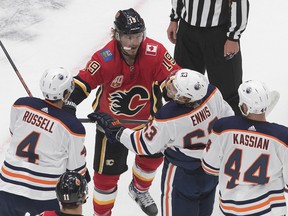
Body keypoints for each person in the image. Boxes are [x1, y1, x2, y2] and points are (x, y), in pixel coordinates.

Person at [63, 8, 181, 216]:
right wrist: (68, 105)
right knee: (105, 179)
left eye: (138, 36)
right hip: (111, 126)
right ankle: (102, 214)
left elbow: (173, 79)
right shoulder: (105, 57)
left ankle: (138, 189)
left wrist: (174, 92)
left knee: (151, 161)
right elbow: (82, 83)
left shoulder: (156, 51)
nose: (134, 43)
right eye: (128, 37)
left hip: (149, 126)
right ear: (116, 35)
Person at [88, 68, 235, 216]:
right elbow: (228, 118)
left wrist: (117, 130)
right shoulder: (212, 92)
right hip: (211, 169)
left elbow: (142, 145)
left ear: (185, 99)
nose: (170, 87)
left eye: (175, 88)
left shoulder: (169, 116)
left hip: (181, 174)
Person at [0, 68, 88, 216]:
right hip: (44, 196)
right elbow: (75, 171)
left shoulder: (21, 105)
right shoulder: (73, 127)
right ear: (66, 94)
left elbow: (14, 133)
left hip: (7, 187)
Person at [202, 80, 288, 215]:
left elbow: (209, 167)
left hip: (231, 208)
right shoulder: (283, 137)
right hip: (269, 210)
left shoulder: (223, 127)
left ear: (243, 106)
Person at [166, 0, 249, 115]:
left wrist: (233, 37)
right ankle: (184, 124)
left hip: (219, 34)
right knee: (183, 85)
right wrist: (174, 18)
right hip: (187, 31)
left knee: (227, 89)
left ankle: (232, 126)